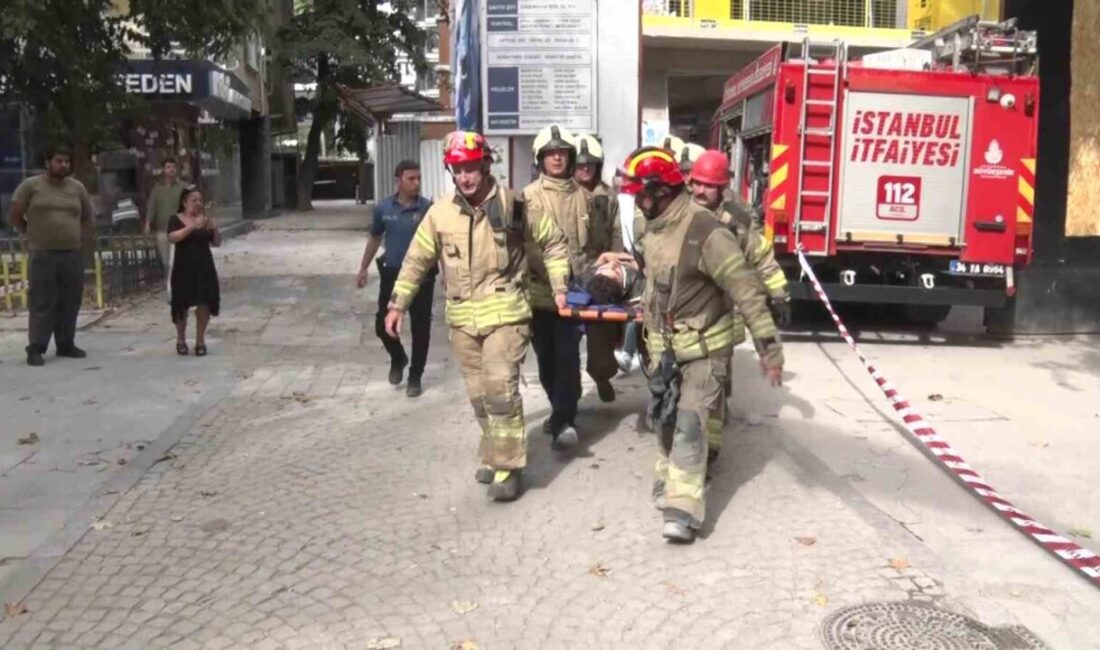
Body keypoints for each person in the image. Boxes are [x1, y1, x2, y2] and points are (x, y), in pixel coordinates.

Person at [383, 131, 570, 501]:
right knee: (478, 395)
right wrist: (397, 303)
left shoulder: (514, 205)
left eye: (471, 168)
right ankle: (493, 450)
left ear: (485, 165)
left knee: (500, 388)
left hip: (506, 313)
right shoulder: (440, 213)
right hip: (462, 319)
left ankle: (509, 468)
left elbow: (552, 241)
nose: (465, 177)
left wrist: (560, 286)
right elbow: (417, 260)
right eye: (458, 169)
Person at [615, 146, 784, 543]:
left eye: (642, 195)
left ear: (662, 191)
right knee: (666, 418)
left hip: (706, 348)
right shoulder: (651, 227)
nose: (638, 204)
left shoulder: (706, 232)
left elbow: (745, 288)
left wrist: (769, 349)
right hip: (664, 349)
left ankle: (682, 508)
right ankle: (671, 477)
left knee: (691, 422)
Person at [687, 149, 792, 460]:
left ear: (722, 188)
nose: (700, 190)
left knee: (718, 379)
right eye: (696, 183)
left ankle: (712, 448)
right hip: (684, 313)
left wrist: (779, 293)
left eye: (708, 185)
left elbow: (761, 257)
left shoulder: (736, 222)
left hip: (722, 311)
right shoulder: (679, 214)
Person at [524, 124, 618, 450]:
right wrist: (553, 279)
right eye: (551, 153)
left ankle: (565, 418)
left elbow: (594, 245)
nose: (557, 159)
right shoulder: (529, 197)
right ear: (540, 158)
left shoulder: (586, 198)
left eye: (562, 153)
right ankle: (559, 408)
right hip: (540, 295)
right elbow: (529, 247)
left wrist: (605, 267)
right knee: (546, 361)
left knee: (567, 359)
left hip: (577, 295)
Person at [8, 146, 94, 367]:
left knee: (70, 299)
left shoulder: (77, 188)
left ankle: (66, 343)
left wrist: (76, 237)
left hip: (71, 253)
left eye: (67, 161)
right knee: (42, 300)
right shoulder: (31, 186)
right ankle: (36, 347)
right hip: (42, 253)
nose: (63, 165)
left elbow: (85, 217)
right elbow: (15, 214)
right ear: (47, 162)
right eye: (59, 161)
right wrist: (30, 233)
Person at [356, 160, 434, 397]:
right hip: (392, 274)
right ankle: (398, 357)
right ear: (398, 180)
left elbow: (438, 243)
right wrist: (363, 268)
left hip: (423, 277)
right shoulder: (383, 208)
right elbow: (375, 238)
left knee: (421, 328)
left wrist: (447, 273)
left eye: (419, 178)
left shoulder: (427, 208)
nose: (416, 183)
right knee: (382, 325)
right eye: (411, 179)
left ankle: (415, 377)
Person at [573, 132, 627, 381]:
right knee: (564, 347)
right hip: (567, 272)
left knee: (600, 333)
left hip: (599, 272)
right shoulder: (564, 194)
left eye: (590, 164)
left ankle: (601, 376)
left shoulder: (607, 196)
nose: (585, 169)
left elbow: (616, 232)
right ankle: (567, 398)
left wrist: (616, 262)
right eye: (580, 164)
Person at [167, 187, 221, 356]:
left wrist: (215, 229)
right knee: (181, 304)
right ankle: (181, 339)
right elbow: (172, 237)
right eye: (194, 200)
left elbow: (217, 242)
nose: (198, 203)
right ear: (184, 202)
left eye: (200, 200)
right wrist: (191, 227)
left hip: (204, 267)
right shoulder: (175, 219)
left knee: (204, 303)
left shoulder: (204, 220)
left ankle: (200, 341)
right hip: (183, 268)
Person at [144, 158, 188, 272]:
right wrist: (148, 223)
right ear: (164, 170)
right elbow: (151, 206)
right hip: (162, 230)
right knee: (165, 260)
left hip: (180, 229)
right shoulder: (157, 188)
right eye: (168, 167)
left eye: (173, 167)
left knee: (180, 259)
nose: (171, 170)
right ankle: (168, 282)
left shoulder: (182, 187)